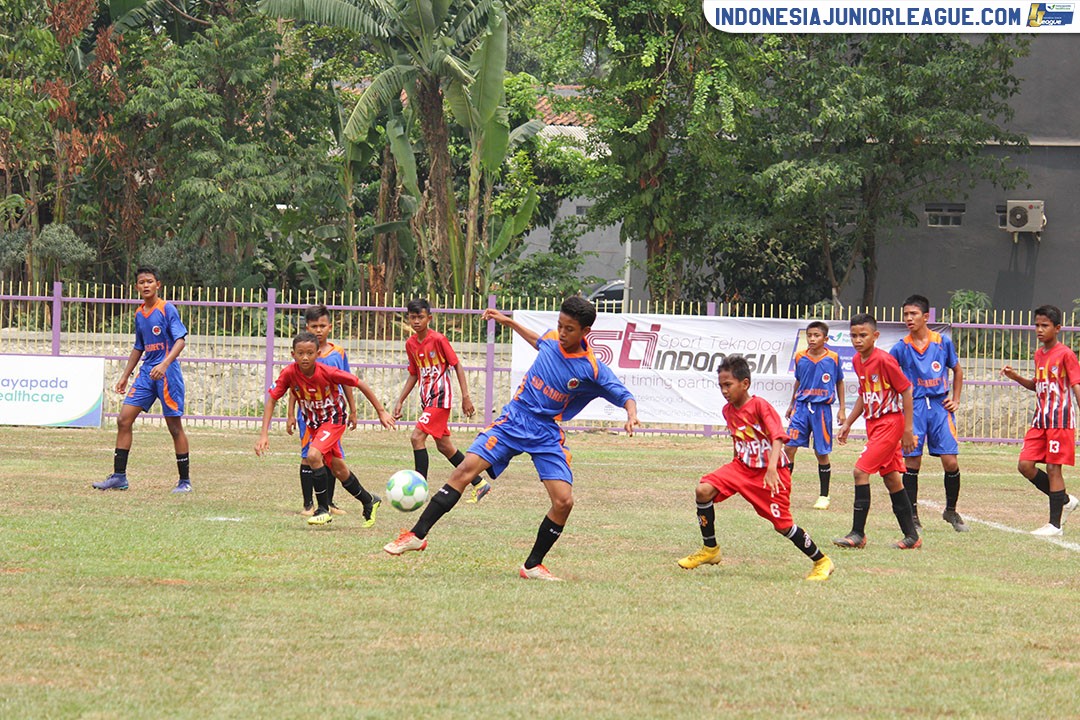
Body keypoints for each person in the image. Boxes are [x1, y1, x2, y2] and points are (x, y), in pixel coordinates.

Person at [382, 296, 640, 581]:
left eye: (570, 329)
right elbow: (539, 341)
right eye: (560, 326)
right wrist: (509, 321)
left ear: (585, 332)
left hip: (545, 432)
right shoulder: (553, 339)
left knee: (564, 502)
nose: (563, 333)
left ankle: (532, 565)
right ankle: (417, 535)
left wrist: (631, 413)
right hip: (514, 419)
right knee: (465, 471)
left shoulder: (591, 368)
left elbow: (623, 394)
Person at [678, 355, 835, 581]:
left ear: (745, 384)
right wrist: (732, 467)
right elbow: (738, 439)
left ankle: (822, 561)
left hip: (771, 473)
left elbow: (778, 437)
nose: (724, 390)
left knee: (783, 526)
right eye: (721, 385)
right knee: (703, 490)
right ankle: (710, 550)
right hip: (741, 468)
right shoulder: (728, 410)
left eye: (728, 385)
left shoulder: (759, 405)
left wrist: (772, 468)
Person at [255, 331, 396, 526]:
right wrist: (264, 434)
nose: (305, 357)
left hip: (334, 420)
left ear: (317, 354)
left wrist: (381, 411)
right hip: (315, 424)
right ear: (292, 354)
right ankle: (369, 500)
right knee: (338, 468)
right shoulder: (288, 373)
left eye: (310, 353)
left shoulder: (328, 372)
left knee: (313, 456)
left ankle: (322, 509)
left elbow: (359, 383)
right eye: (301, 353)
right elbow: (272, 399)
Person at [94, 266, 192, 493]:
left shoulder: (167, 309)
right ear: (137, 287)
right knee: (123, 420)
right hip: (147, 373)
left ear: (158, 284)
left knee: (174, 427)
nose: (146, 285)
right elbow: (139, 346)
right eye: (141, 282)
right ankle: (119, 477)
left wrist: (165, 363)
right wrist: (125, 375)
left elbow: (181, 340)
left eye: (150, 281)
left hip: (167, 374)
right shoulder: (139, 314)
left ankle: (184, 481)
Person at [391, 298, 493, 504]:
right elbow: (413, 374)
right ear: (408, 320)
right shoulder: (410, 344)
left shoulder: (438, 340)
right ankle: (479, 483)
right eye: (412, 317)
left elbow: (457, 365)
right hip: (426, 399)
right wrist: (400, 400)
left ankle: (419, 487)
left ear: (429, 318)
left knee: (416, 438)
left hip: (440, 397)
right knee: (445, 447)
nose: (416, 321)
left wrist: (466, 397)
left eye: (420, 317)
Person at [834, 313, 922, 549]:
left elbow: (906, 390)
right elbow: (865, 394)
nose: (857, 340)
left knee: (860, 471)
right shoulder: (856, 360)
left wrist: (907, 429)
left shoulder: (884, 360)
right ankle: (912, 536)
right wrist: (849, 423)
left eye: (863, 335)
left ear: (875, 336)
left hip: (890, 423)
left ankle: (857, 534)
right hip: (874, 425)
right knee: (892, 479)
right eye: (853, 335)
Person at [890, 295, 967, 532]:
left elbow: (957, 370)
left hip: (939, 407)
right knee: (912, 461)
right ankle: (913, 515)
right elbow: (889, 374)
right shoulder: (901, 347)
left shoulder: (942, 342)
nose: (908, 318)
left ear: (926, 317)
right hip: (915, 407)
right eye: (905, 314)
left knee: (950, 461)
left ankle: (951, 511)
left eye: (913, 314)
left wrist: (955, 399)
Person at [1001, 304, 1080, 536]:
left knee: (1053, 467)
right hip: (1040, 421)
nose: (1039, 330)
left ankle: (1055, 525)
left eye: (1044, 325)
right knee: (1025, 465)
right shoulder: (1039, 355)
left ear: (1057, 328)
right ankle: (1065, 500)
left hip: (1060, 421)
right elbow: (1039, 386)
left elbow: (1075, 385)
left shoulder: (1066, 354)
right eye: (1036, 325)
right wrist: (1015, 377)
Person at [285, 305, 356, 516]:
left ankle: (329, 503)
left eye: (322, 326)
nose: (318, 330)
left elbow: (348, 383)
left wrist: (353, 410)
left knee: (330, 457)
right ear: (307, 327)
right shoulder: (304, 352)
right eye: (314, 326)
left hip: (331, 415)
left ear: (330, 327)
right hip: (307, 415)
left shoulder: (337, 353)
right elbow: (292, 386)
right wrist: (290, 414)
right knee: (308, 456)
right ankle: (309, 505)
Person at [784, 321, 845, 510]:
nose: (812, 338)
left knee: (821, 452)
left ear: (825, 339)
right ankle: (783, 493)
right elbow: (798, 381)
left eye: (816, 335)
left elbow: (840, 382)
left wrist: (842, 409)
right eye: (809, 335)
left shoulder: (833, 358)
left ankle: (824, 496)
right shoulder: (800, 357)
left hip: (821, 410)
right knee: (789, 448)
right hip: (801, 408)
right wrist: (791, 403)